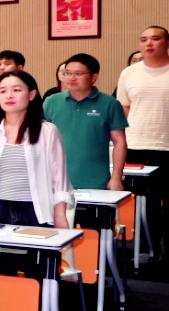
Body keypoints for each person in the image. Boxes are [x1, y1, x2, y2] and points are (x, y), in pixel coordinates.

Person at [0, 70, 72, 228]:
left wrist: (60, 216)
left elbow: (59, 179)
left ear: (31, 95)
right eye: (3, 91)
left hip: (35, 211)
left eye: (17, 90)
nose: (9, 95)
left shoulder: (47, 131)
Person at [44, 54, 128, 192]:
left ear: (94, 77)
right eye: (68, 73)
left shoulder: (110, 104)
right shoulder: (51, 102)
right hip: (55, 182)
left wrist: (116, 178)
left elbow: (119, 142)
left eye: (78, 74)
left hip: (95, 181)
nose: (71, 78)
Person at [117, 26, 169, 248]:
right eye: (144, 39)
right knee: (144, 202)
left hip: (166, 146)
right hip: (136, 145)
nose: (149, 43)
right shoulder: (129, 73)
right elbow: (124, 108)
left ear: (166, 43)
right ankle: (149, 248)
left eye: (155, 39)